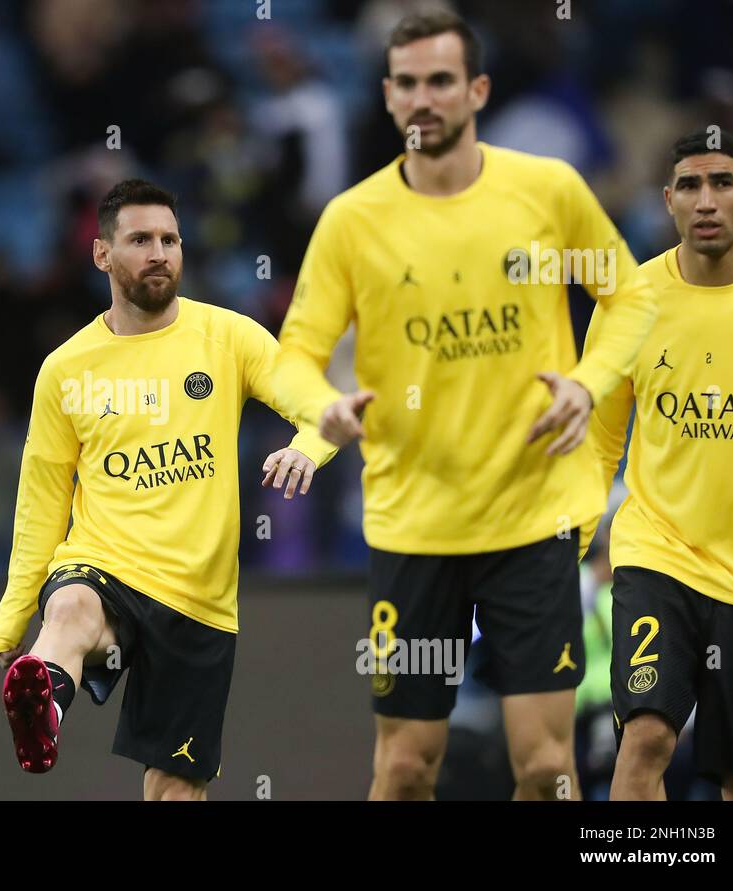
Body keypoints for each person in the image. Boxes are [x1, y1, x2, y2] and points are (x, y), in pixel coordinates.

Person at [272, 11, 656, 800]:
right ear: (385, 96)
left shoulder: (546, 194)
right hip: (414, 527)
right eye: (407, 83)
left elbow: (628, 297)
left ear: (476, 89)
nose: (424, 98)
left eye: (441, 80)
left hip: (532, 518)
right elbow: (296, 356)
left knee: (547, 768)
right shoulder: (354, 222)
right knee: (407, 767)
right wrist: (325, 412)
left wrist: (587, 380)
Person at [0, 179, 334, 800]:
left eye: (170, 239)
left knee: (175, 787)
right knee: (68, 610)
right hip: (104, 562)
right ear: (101, 255)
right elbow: (41, 500)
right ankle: (43, 700)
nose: (159, 253)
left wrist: (306, 449)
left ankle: (50, 691)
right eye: (140, 239)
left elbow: (319, 406)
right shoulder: (66, 368)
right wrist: (14, 615)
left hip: (197, 596)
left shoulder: (230, 338)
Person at [591, 129, 733, 801]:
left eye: (722, 182)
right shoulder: (631, 303)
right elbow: (601, 443)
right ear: (667, 201)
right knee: (648, 737)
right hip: (658, 553)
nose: (706, 200)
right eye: (689, 186)